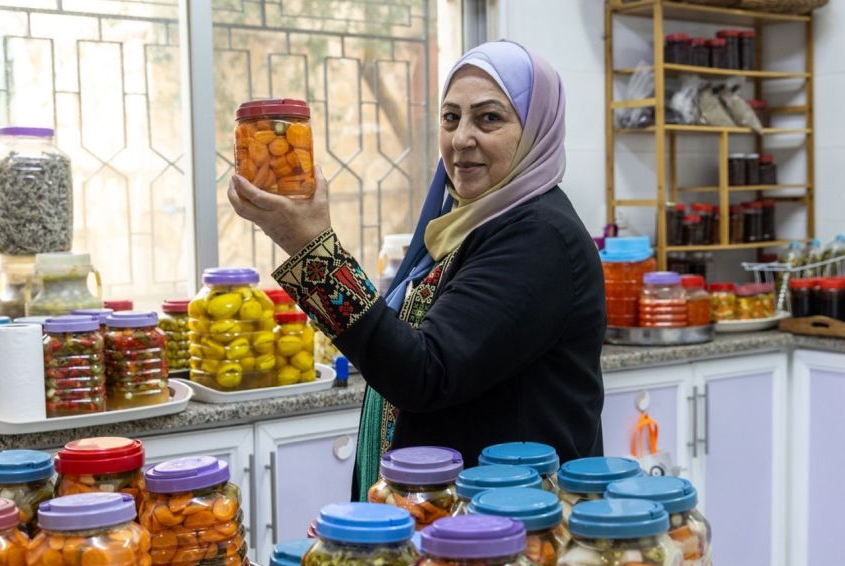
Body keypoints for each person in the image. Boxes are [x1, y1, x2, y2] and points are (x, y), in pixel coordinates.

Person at [228, 40, 606, 500]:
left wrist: (311, 249)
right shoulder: (463, 224)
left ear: (536, 130)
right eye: (451, 117)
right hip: (451, 512)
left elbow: (425, 372)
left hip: (506, 522)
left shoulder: (539, 237)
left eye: (489, 118)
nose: (461, 138)